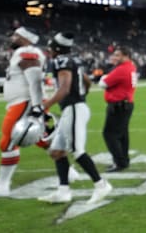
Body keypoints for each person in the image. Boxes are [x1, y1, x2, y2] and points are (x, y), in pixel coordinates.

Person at [0, 27, 68, 199]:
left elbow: (35, 80)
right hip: (23, 101)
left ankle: (2, 185)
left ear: (25, 38)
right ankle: (68, 170)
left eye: (16, 35)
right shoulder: (23, 53)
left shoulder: (27, 51)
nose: (12, 37)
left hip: (24, 103)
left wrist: (37, 106)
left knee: (8, 141)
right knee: (41, 139)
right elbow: (20, 80)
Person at [37, 32, 113, 204]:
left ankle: (101, 185)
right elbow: (86, 81)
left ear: (56, 48)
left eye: (51, 48)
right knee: (57, 152)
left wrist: (45, 105)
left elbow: (64, 88)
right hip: (73, 109)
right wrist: (80, 96)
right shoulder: (74, 60)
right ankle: (63, 191)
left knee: (77, 151)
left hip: (74, 109)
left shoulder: (61, 61)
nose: (50, 51)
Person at [99, 46, 137, 172]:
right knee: (122, 135)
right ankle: (123, 161)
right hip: (126, 104)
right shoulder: (131, 66)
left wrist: (104, 77)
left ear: (126, 56)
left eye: (117, 55)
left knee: (109, 134)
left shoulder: (122, 69)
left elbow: (103, 84)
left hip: (118, 105)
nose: (114, 57)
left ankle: (120, 162)